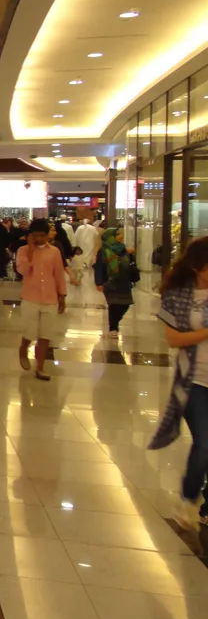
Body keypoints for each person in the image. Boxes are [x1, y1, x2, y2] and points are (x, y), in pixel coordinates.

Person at [151, 237, 208, 530]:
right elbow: (173, 339)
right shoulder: (178, 295)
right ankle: (188, 499)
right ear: (198, 266)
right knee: (204, 442)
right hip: (195, 381)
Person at [16, 218, 67, 381]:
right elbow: (22, 270)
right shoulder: (23, 250)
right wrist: (31, 251)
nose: (39, 239)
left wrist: (62, 296)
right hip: (30, 297)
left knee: (45, 334)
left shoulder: (54, 252)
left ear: (47, 235)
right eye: (35, 236)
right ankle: (23, 348)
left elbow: (58, 274)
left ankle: (40, 367)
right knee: (29, 332)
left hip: (50, 298)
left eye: (42, 236)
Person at [94, 227, 137, 337]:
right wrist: (99, 282)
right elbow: (99, 267)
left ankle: (115, 323)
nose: (121, 236)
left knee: (125, 304)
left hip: (124, 282)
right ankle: (113, 328)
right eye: (118, 234)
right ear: (110, 237)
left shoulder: (124, 249)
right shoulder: (104, 250)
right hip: (110, 282)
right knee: (113, 305)